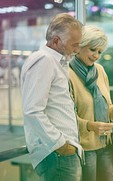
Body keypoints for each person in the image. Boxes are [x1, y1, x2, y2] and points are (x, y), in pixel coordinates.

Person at [21, 13, 83, 181]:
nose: (77, 50)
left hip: (62, 152)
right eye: (74, 45)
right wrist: (60, 144)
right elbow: (32, 110)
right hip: (57, 154)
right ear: (56, 41)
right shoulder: (44, 60)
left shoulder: (57, 62)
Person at [69, 25, 113, 181]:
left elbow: (107, 106)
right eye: (92, 50)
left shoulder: (100, 71)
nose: (96, 55)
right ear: (79, 46)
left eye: (99, 52)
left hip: (106, 142)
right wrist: (90, 125)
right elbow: (66, 118)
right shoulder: (67, 74)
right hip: (85, 148)